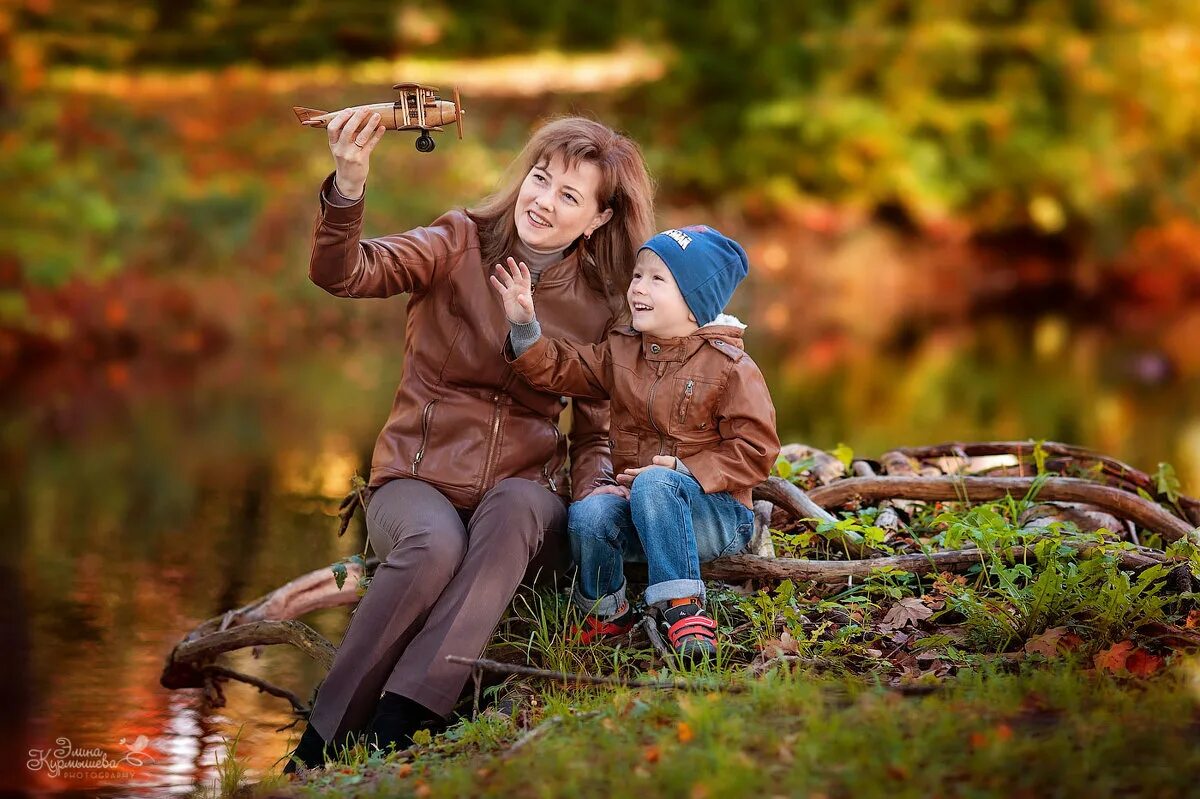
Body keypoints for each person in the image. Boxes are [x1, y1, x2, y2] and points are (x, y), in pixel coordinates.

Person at [284, 110, 655, 771]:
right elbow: (344, 273)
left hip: (521, 498)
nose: (543, 200)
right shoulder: (458, 241)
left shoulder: (601, 304)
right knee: (433, 543)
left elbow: (595, 433)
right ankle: (320, 744)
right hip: (416, 480)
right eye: (540, 178)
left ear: (598, 219)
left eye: (569, 195)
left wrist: (596, 498)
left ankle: (402, 723)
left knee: (515, 508)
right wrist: (348, 182)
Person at [491, 225, 781, 664]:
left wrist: (684, 472)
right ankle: (607, 611)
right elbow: (561, 368)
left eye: (657, 279)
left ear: (694, 303)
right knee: (590, 513)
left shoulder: (731, 368)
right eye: (637, 276)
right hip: (644, 507)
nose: (638, 288)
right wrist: (523, 324)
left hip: (717, 517)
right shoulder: (622, 352)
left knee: (657, 485)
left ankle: (683, 607)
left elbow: (756, 450)